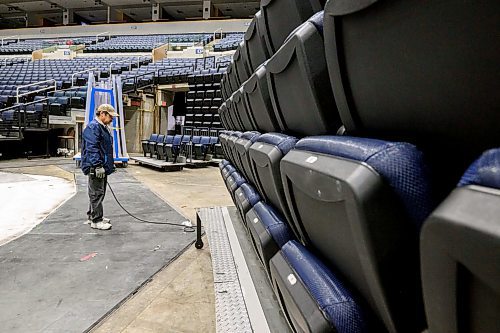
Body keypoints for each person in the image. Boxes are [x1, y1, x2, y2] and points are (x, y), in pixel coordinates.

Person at [81, 103, 119, 230]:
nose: (112, 119)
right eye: (110, 116)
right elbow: (92, 148)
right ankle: (96, 221)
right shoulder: (93, 127)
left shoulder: (101, 127)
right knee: (97, 193)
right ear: (102, 114)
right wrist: (97, 165)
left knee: (98, 192)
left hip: (101, 165)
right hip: (95, 166)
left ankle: (93, 216)